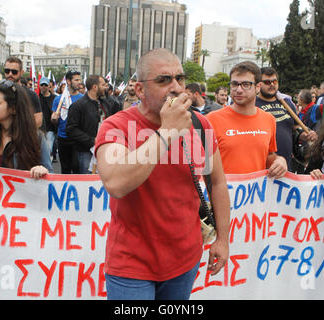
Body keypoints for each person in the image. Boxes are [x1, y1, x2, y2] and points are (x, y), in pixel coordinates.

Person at [94, 48, 230, 300]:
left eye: (180, 78)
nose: (177, 87)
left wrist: (223, 239)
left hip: (185, 260)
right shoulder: (117, 126)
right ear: (140, 90)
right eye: (163, 80)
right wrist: (167, 132)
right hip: (131, 266)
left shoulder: (201, 125)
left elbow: (218, 183)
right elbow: (115, 183)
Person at [206, 62, 288, 177]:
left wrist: (279, 161)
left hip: (256, 193)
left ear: (258, 87)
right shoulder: (211, 120)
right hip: (223, 193)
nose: (239, 90)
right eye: (234, 84)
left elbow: (268, 155)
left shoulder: (269, 120)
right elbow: (201, 165)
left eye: (246, 84)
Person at [255, 67, 317, 172]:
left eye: (274, 81)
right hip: (262, 167)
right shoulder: (253, 104)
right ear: (259, 84)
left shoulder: (287, 103)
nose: (272, 84)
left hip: (286, 165)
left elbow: (295, 127)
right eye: (267, 82)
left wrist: (305, 135)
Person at [66, 75, 112, 174]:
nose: (106, 87)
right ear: (95, 87)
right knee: (87, 181)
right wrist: (92, 140)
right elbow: (71, 129)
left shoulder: (105, 104)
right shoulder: (78, 106)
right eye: (103, 85)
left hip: (103, 150)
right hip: (85, 152)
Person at [0, 57, 43, 129]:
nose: (10, 74)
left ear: (21, 72)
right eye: (7, 71)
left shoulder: (31, 95)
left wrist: (21, 134)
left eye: (14, 72)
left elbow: (38, 121)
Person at [51, 70, 83, 174]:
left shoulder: (83, 99)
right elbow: (54, 120)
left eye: (80, 79)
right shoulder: (58, 99)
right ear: (68, 81)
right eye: (76, 80)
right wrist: (54, 119)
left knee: (76, 166)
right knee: (65, 169)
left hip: (76, 139)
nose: (79, 82)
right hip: (62, 138)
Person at [39, 77, 56, 158]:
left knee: (48, 149)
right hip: (39, 128)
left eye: (45, 85)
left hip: (50, 128)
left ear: (49, 86)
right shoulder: (37, 97)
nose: (43, 87)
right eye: (42, 85)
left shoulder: (54, 98)